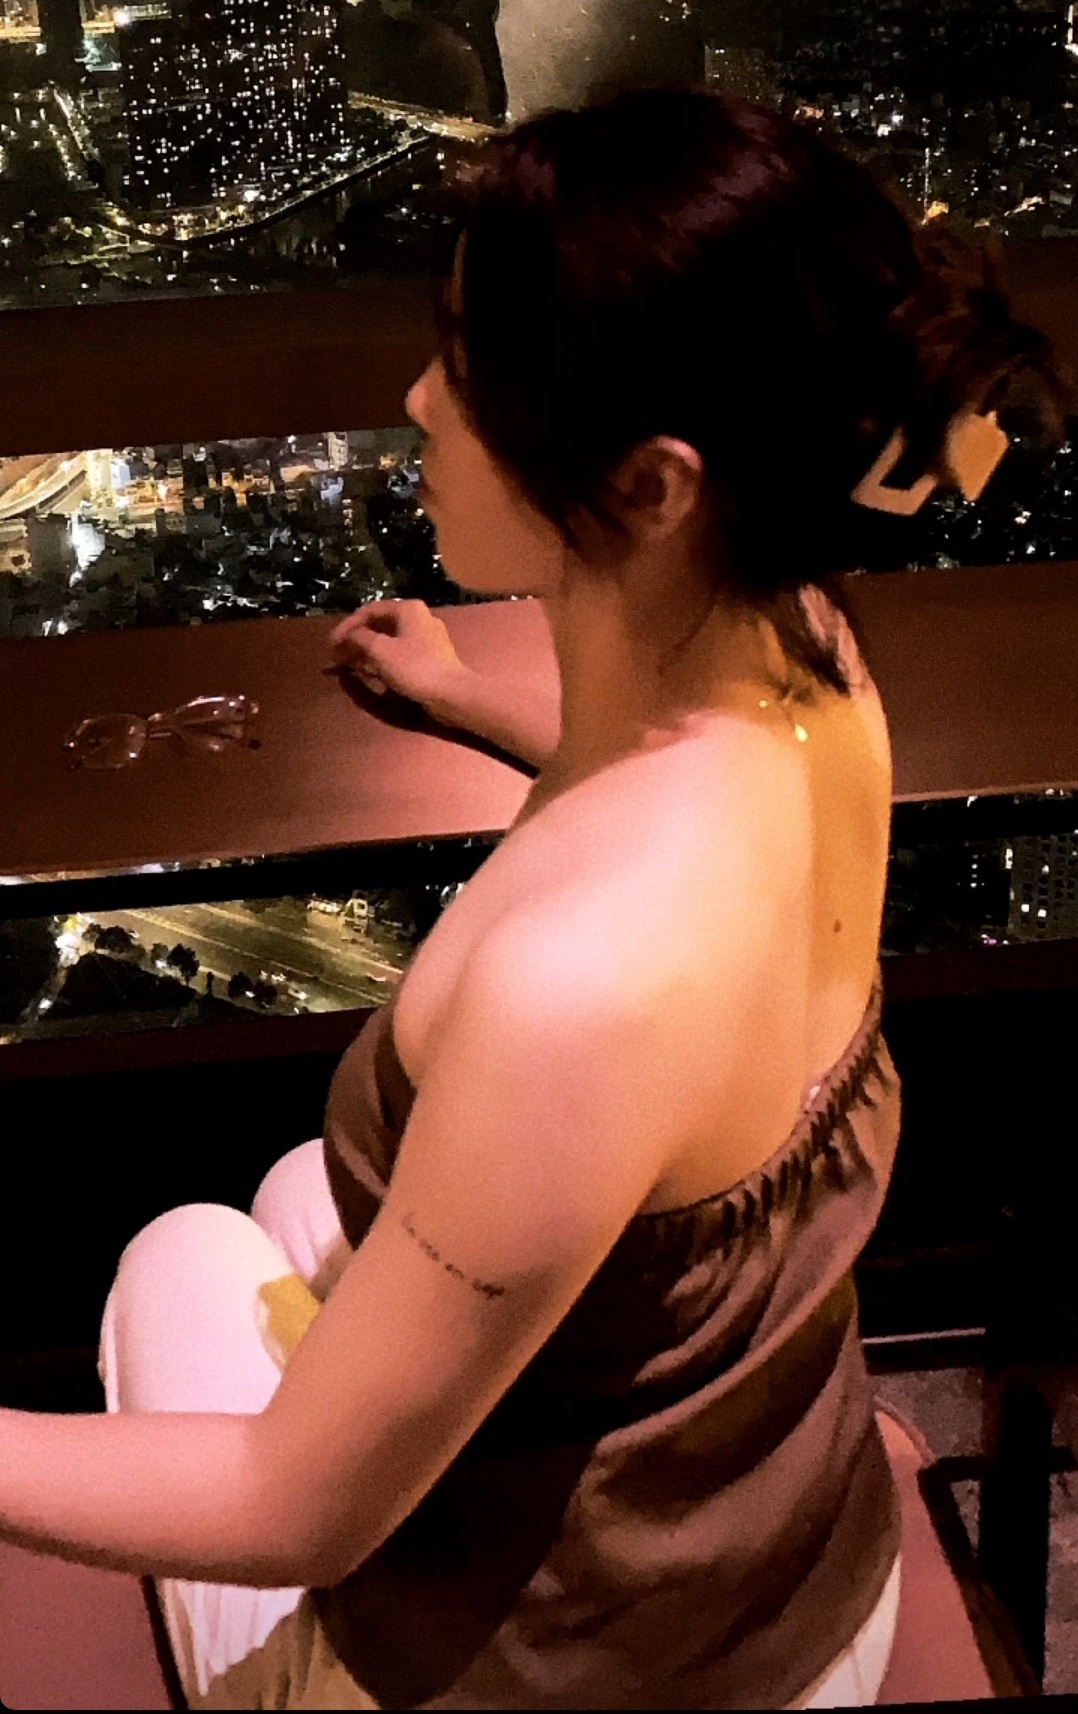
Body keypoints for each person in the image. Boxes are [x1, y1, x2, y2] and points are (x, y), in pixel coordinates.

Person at [1, 89, 1064, 1710]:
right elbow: (656, 759)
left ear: (648, 488)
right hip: (787, 1561)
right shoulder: (813, 662)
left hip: (593, 1675)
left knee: (181, 1250)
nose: (419, 399)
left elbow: (291, 1505)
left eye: (468, 367)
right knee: (298, 1193)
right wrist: (475, 699)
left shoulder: (577, 984)